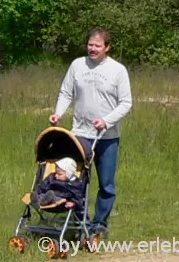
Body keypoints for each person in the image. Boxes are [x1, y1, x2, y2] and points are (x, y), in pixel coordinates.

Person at [50, 28, 132, 235]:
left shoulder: (118, 70)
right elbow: (66, 92)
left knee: (106, 183)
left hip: (106, 137)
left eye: (97, 46)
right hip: (79, 133)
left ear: (107, 47)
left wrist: (106, 121)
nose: (92, 49)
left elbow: (126, 103)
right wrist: (58, 114)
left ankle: (100, 224)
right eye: (90, 45)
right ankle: (80, 222)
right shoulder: (77, 65)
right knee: (75, 179)